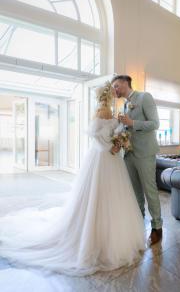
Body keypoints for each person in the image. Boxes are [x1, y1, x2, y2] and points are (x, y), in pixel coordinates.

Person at [0, 81, 146, 278]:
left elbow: (109, 134)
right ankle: (96, 241)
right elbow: (99, 138)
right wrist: (115, 142)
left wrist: (119, 139)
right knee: (100, 197)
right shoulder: (104, 111)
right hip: (104, 159)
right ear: (108, 95)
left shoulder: (109, 110)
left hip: (109, 158)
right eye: (113, 92)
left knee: (111, 199)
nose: (115, 93)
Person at [111, 75, 163, 245]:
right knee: (135, 193)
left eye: (117, 86)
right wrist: (119, 140)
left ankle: (157, 228)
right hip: (129, 154)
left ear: (126, 84)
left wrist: (132, 122)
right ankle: (138, 223)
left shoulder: (144, 97)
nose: (115, 90)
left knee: (150, 190)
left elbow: (155, 124)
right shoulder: (125, 105)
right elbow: (127, 129)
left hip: (145, 153)